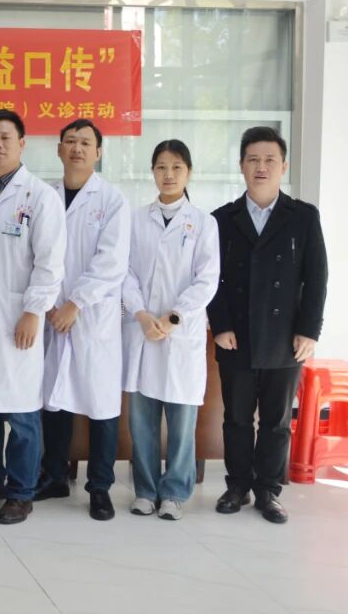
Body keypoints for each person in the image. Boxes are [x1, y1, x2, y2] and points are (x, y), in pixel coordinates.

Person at [207, 126, 328, 524]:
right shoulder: (222, 219)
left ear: (283, 166)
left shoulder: (303, 217)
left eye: (269, 160)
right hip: (235, 335)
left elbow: (316, 277)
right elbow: (211, 278)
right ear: (241, 165)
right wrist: (220, 324)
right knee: (237, 418)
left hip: (285, 336)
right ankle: (237, 486)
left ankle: (268, 491)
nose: (261, 167)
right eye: (253, 160)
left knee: (276, 422)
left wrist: (309, 330)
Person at [0, 109, 65, 525]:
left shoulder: (40, 197)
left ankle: (21, 491)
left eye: (5, 137)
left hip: (19, 317)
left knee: (22, 410)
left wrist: (33, 311)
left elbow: (50, 262)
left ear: (22, 143)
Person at [37, 120, 131, 522]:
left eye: (85, 143)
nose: (77, 149)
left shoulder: (112, 200)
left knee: (101, 406)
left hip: (92, 318)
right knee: (52, 400)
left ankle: (100, 487)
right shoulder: (43, 196)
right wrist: (46, 304)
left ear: (98, 152)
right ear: (59, 149)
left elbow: (112, 262)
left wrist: (74, 304)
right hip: (50, 314)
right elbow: (34, 254)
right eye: (70, 142)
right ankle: (54, 476)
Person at [122, 140, 219, 520]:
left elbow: (207, 279)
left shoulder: (203, 223)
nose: (168, 174)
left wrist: (173, 318)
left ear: (188, 172)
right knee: (142, 421)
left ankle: (175, 493)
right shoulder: (135, 219)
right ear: (152, 172)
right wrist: (142, 314)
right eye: (161, 167)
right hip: (143, 331)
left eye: (177, 167)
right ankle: (146, 491)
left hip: (181, 334)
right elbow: (125, 272)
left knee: (181, 423)